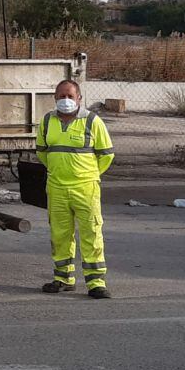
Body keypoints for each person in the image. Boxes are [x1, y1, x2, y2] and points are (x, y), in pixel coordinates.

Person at [36, 79, 114, 299]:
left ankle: (96, 283)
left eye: (70, 96)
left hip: (85, 188)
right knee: (60, 234)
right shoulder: (47, 122)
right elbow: (42, 152)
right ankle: (63, 279)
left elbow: (107, 155)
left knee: (91, 234)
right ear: (54, 98)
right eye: (61, 96)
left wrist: (89, 175)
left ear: (79, 98)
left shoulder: (92, 121)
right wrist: (57, 171)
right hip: (57, 188)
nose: (66, 100)